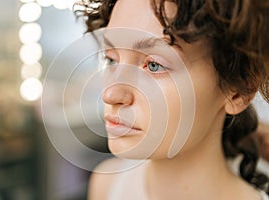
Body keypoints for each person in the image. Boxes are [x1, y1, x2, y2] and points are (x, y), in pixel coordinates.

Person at [75, 0, 269, 199]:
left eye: (154, 65)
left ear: (238, 91)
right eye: (111, 59)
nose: (110, 95)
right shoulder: (106, 185)